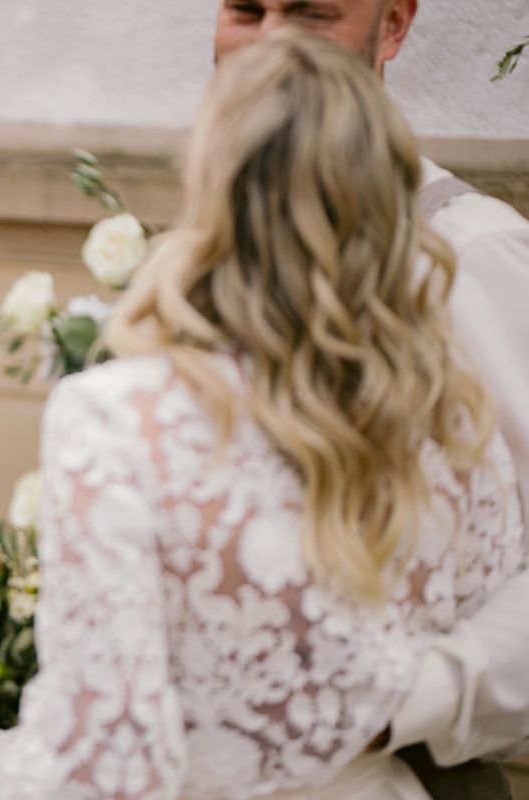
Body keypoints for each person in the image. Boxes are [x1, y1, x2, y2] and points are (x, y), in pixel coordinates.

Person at [0, 30, 525, 800]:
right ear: (388, 194)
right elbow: (490, 615)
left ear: (210, 180)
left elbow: (111, 769)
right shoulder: (446, 416)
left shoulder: (118, 418)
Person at [216, 3, 529, 794]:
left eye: (312, 12)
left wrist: (398, 705)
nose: (271, 44)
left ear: (392, 25)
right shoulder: (205, 253)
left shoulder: (470, 252)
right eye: (245, 10)